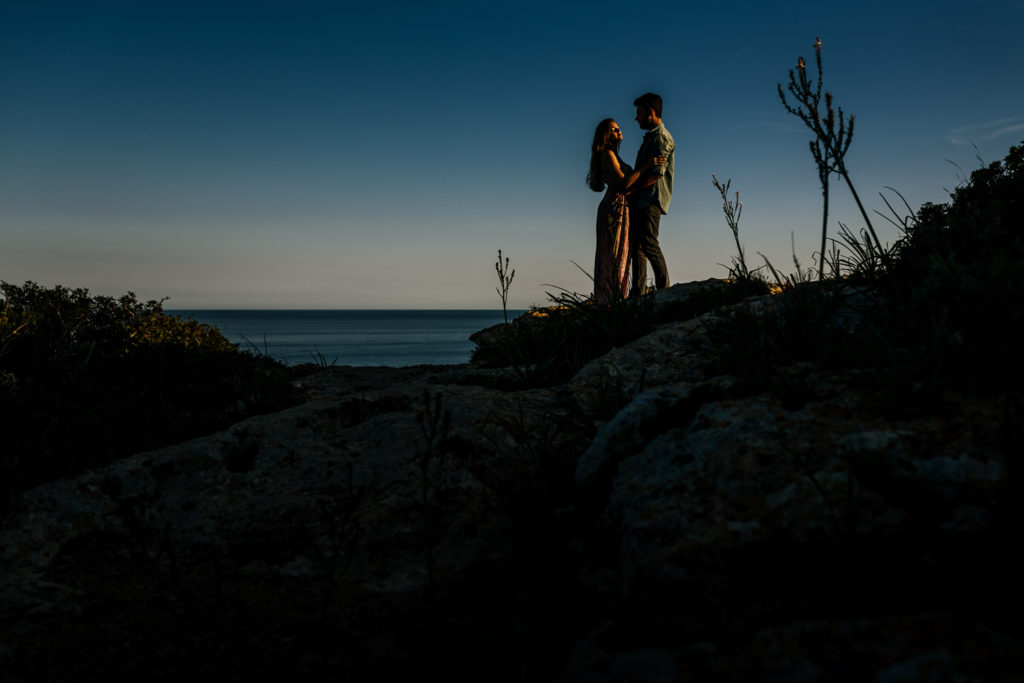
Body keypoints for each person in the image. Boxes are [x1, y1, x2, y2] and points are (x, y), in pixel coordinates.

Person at [586, 118, 665, 303]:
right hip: (614, 208)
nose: (619, 132)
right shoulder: (607, 155)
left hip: (621, 207)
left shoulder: (613, 154)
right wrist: (647, 166)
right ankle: (608, 301)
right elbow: (624, 182)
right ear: (605, 134)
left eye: (619, 129)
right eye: (614, 129)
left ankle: (614, 298)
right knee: (613, 254)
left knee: (621, 253)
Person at [629, 93, 675, 295]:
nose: (636, 117)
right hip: (641, 200)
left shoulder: (661, 138)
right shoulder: (651, 137)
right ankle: (638, 292)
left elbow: (657, 174)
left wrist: (631, 188)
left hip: (651, 199)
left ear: (650, 112)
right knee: (637, 246)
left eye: (638, 113)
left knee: (648, 243)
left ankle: (663, 291)